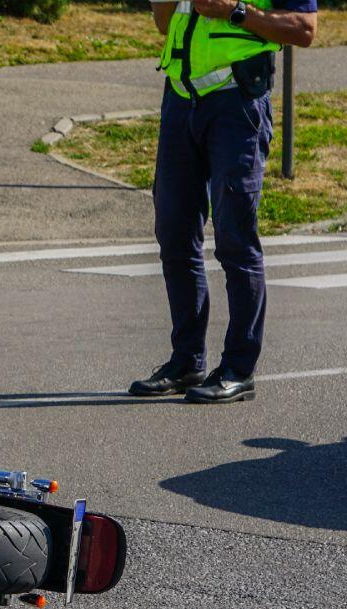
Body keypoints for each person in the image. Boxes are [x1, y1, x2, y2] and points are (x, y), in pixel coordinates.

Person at [130, 0, 317, 403]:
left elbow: (304, 29)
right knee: (174, 234)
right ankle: (187, 360)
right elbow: (166, 24)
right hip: (181, 98)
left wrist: (234, 11)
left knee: (235, 238)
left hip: (237, 103)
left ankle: (239, 368)